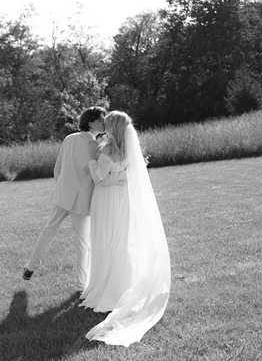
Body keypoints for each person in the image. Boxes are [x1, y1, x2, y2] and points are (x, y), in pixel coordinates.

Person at [79, 111, 171, 347]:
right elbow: (128, 176)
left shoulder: (106, 150)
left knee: (105, 240)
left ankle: (106, 286)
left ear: (113, 128)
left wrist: (91, 158)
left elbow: (99, 178)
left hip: (106, 200)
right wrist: (118, 177)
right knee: (121, 240)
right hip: (122, 200)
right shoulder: (130, 150)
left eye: (107, 124)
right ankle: (123, 284)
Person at [22, 106, 125, 292]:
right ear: (91, 121)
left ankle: (30, 267)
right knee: (82, 243)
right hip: (82, 201)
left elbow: (57, 168)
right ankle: (80, 285)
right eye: (102, 119)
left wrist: (61, 186)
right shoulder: (97, 146)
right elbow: (96, 175)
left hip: (63, 195)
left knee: (49, 231)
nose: (104, 123)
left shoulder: (69, 138)